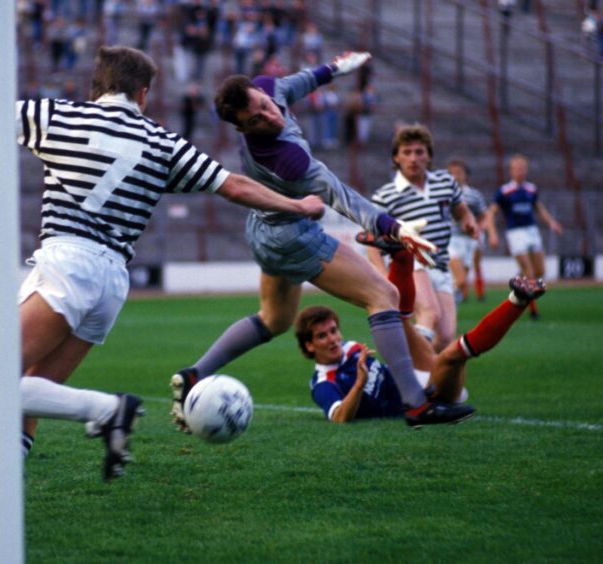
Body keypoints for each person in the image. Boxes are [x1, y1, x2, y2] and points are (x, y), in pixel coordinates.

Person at [0, 45, 325, 527]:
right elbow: (234, 186)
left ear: (96, 85)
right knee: (32, 393)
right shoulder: (165, 143)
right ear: (143, 93)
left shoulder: (60, 117)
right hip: (111, 284)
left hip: (68, 264)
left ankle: (107, 409)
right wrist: (299, 206)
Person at [171, 51, 475, 433]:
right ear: (241, 129)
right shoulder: (285, 159)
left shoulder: (265, 89)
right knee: (382, 296)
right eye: (256, 120)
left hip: (263, 229)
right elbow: (341, 196)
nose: (268, 115)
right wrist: (395, 228)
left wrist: (331, 69)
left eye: (265, 106)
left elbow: (292, 84)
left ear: (260, 92)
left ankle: (195, 373)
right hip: (293, 235)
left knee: (273, 320)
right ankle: (416, 404)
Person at [296, 247, 547, 425]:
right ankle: (518, 300)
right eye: (321, 336)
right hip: (423, 399)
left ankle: (400, 253)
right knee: (451, 355)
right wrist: (360, 384)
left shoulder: (350, 349)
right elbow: (340, 418)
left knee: (398, 320)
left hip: (414, 379)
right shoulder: (322, 384)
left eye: (333, 330)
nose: (332, 339)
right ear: (309, 346)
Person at [365, 124, 479, 351]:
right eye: (406, 152)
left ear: (429, 156)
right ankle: (406, 370)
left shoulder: (446, 183)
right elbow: (371, 243)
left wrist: (468, 222)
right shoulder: (385, 196)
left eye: (419, 152)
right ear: (396, 158)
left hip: (440, 264)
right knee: (429, 313)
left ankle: (426, 379)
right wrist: (383, 275)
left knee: (446, 337)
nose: (413, 158)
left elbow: (461, 211)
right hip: (409, 263)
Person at [484, 154, 563, 320]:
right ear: (511, 171)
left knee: (540, 271)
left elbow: (539, 208)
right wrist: (492, 233)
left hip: (531, 231)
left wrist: (552, 222)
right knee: (530, 272)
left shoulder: (531, 189)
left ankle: (518, 284)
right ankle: (533, 311)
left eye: (522, 168)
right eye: (517, 168)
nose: (520, 171)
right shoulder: (505, 191)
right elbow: (491, 212)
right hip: (516, 233)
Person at [447, 159, 493, 302]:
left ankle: (448, 307)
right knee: (460, 279)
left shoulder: (474, 195)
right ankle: (441, 303)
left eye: (459, 173)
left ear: (465, 175)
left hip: (469, 241)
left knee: (459, 282)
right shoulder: (444, 194)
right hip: (451, 240)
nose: (455, 176)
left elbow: (485, 215)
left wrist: (480, 228)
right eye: (452, 173)